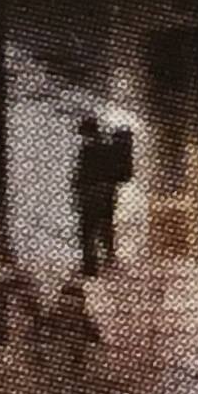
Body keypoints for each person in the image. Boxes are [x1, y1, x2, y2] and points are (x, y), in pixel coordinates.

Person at [71, 115, 127, 277]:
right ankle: (109, 259)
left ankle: (90, 267)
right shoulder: (107, 147)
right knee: (105, 226)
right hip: (107, 193)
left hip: (91, 194)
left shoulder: (89, 149)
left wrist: (77, 190)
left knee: (87, 230)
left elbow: (83, 174)